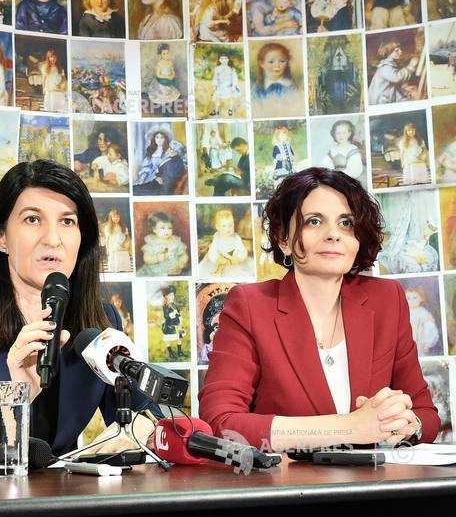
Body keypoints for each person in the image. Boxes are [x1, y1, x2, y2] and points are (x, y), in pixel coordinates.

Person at [0, 160, 163, 461]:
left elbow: (145, 413)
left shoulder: (101, 322)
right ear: (1, 237)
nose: (52, 239)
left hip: (67, 488)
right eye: (33, 219)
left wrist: (142, 428)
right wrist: (12, 400)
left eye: (67, 222)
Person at [199, 167, 441, 451]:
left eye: (346, 223)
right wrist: (350, 427)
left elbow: (426, 415)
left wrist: (408, 423)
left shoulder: (387, 299)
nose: (333, 234)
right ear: (283, 239)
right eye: (314, 221)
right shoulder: (250, 305)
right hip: (289, 479)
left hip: (372, 478)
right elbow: (221, 423)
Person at [199, 209, 252, 277]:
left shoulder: (236, 238)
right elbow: (212, 251)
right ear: (217, 227)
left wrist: (239, 258)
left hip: (233, 260)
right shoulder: (217, 238)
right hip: (220, 259)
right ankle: (218, 272)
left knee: (239, 273)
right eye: (224, 226)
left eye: (230, 225)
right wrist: (217, 259)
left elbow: (242, 250)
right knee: (213, 268)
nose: (228, 228)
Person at [138, 211, 189, 276]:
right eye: (163, 228)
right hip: (156, 273)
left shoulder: (175, 241)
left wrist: (180, 264)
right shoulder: (152, 243)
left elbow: (183, 255)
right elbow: (146, 258)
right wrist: (156, 258)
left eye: (169, 228)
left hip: (174, 271)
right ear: (154, 229)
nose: (166, 231)